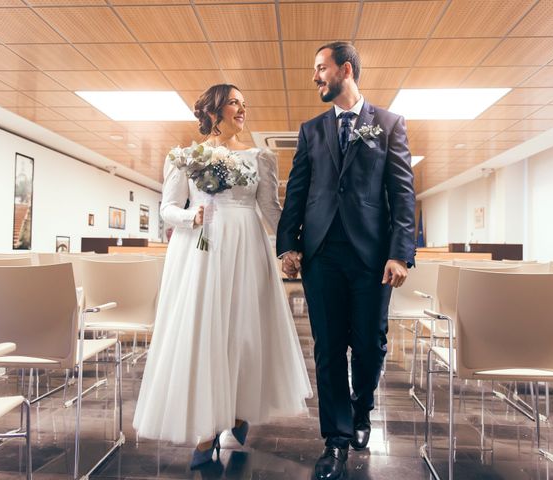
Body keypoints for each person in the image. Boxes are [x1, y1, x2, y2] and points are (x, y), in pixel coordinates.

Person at [133, 83, 312, 469]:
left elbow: (271, 210)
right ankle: (207, 426)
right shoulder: (184, 156)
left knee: (244, 331)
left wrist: (290, 248)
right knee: (205, 331)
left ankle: (238, 410)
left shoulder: (260, 157)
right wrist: (189, 216)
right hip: (203, 248)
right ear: (214, 110)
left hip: (247, 248)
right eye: (234, 102)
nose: (242, 110)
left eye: (245, 104)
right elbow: (166, 208)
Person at [276, 42, 416, 480]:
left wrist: (399, 253)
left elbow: (403, 195)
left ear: (346, 70)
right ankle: (335, 440)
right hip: (323, 255)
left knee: (370, 344)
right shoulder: (311, 130)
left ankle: (362, 407)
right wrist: (288, 245)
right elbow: (297, 191)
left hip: (373, 257)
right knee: (329, 348)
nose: (315, 77)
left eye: (321, 68)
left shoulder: (389, 124)